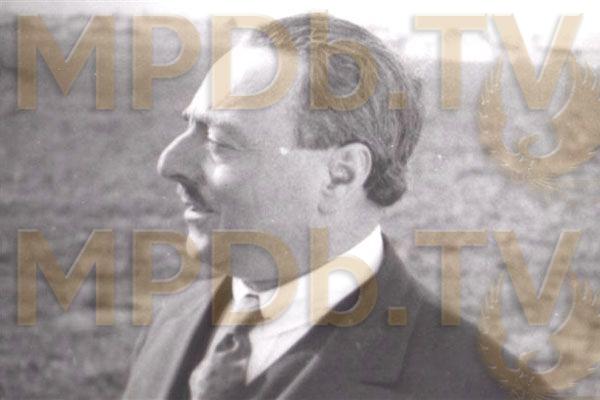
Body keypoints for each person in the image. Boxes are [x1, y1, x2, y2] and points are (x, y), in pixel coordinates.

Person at [123, 13, 530, 400]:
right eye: (190, 126)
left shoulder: (476, 387)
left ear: (341, 175)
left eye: (219, 142)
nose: (169, 163)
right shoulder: (174, 321)